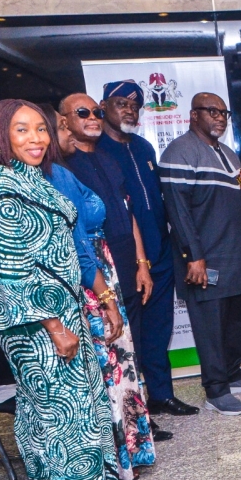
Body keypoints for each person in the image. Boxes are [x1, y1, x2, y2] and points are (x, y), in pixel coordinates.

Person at [0, 99, 131, 480]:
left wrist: (92, 302)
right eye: (22, 130)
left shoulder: (36, 179)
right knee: (58, 417)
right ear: (0, 135)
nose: (36, 139)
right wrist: (53, 326)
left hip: (65, 312)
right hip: (37, 322)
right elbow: (10, 267)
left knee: (83, 412)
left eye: (41, 129)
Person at [40, 105, 159, 480]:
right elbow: (76, 245)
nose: (68, 133)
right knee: (108, 367)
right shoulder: (56, 176)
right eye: (62, 126)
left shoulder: (64, 171)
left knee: (119, 365)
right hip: (90, 279)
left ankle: (131, 451)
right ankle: (119, 463)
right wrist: (106, 298)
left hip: (103, 268)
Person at [159, 93, 241, 415]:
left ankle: (232, 373)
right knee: (210, 327)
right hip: (205, 258)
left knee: (235, 321)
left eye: (224, 112)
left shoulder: (229, 153)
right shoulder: (180, 151)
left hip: (235, 255)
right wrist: (194, 256)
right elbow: (178, 212)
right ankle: (216, 390)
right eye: (212, 111)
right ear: (194, 115)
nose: (220, 117)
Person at [97, 80, 198, 417]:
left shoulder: (143, 148)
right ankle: (135, 411)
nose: (128, 109)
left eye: (134, 105)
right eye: (120, 103)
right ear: (103, 106)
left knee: (159, 330)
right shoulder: (96, 151)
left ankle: (161, 395)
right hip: (126, 261)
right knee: (133, 337)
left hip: (160, 254)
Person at [59, 94, 154, 315]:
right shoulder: (62, 168)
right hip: (95, 273)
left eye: (97, 113)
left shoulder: (110, 160)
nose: (92, 117)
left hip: (129, 268)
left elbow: (129, 213)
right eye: (83, 113)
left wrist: (141, 263)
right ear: (64, 121)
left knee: (134, 344)